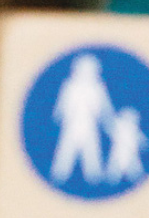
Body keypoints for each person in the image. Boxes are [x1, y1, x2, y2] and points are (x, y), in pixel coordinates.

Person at [50, 55, 116, 184]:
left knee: (91, 149)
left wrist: (109, 120)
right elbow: (62, 103)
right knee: (66, 148)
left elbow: (105, 106)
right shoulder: (69, 85)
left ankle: (94, 176)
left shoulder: (98, 87)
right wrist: (58, 115)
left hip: (89, 123)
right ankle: (60, 174)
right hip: (72, 123)